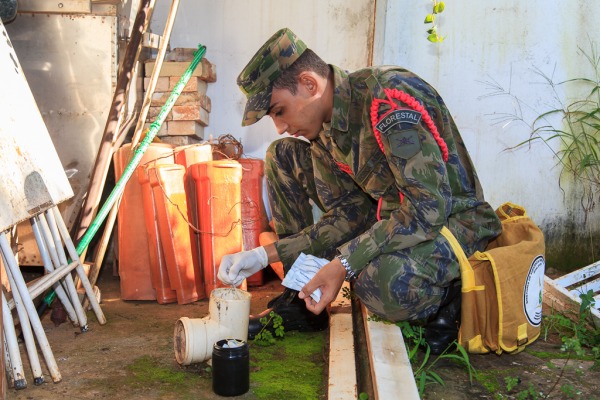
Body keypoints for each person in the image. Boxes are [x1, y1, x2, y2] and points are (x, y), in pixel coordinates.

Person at [218, 28, 502, 353]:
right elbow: (347, 216)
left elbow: (426, 210)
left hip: (453, 222)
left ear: (310, 84)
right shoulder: (324, 131)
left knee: (377, 282)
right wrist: (263, 255)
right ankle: (301, 294)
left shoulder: (388, 100)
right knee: (282, 153)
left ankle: (446, 301)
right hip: (395, 217)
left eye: (279, 110)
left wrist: (344, 264)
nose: (279, 126)